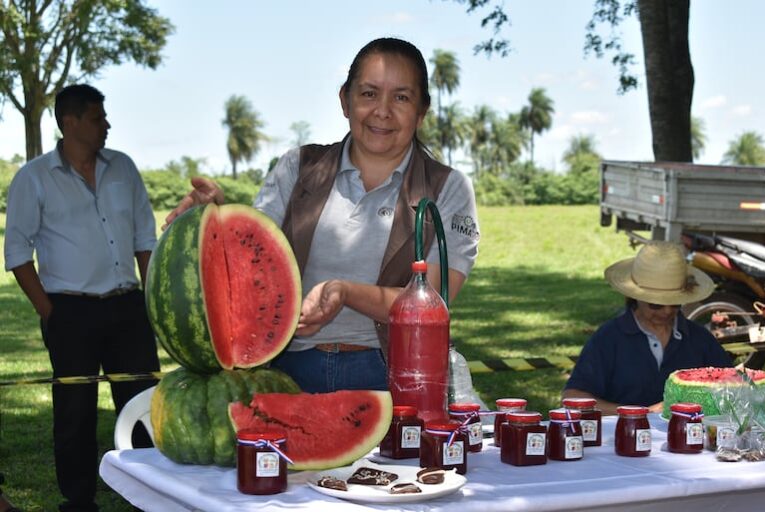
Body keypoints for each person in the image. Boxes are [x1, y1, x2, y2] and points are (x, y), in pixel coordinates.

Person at [165, 37, 479, 393]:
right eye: (369, 93)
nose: (383, 111)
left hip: (391, 371)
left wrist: (344, 292)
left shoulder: (448, 189)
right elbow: (252, 263)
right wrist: (214, 223)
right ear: (345, 100)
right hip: (287, 369)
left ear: (422, 111)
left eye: (402, 97)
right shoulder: (297, 167)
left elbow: (430, 303)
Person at [4, 84, 160, 512]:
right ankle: (78, 500)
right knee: (74, 413)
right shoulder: (33, 177)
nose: (106, 124)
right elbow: (17, 253)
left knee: (144, 405)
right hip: (69, 310)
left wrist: (151, 301)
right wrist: (50, 312)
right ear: (68, 122)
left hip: (129, 307)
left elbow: (146, 237)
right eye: (97, 117)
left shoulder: (123, 168)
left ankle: (152, 493)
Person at [562, 241, 732, 415]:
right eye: (656, 305)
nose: (667, 311)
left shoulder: (699, 338)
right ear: (635, 298)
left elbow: (731, 388)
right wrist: (641, 413)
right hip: (623, 436)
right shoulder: (609, 338)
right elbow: (573, 398)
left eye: (675, 304)